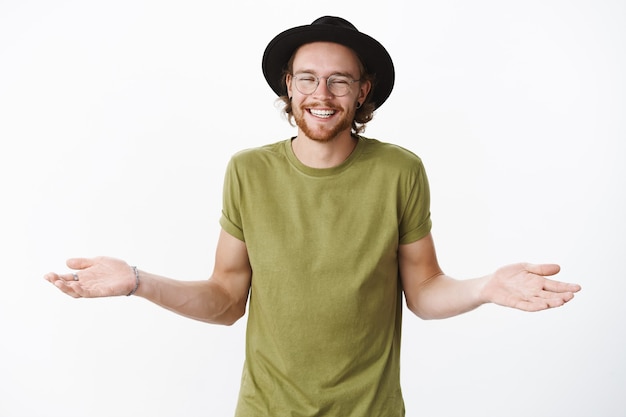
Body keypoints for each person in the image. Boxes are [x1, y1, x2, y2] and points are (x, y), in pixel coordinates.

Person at [45, 16, 581, 417]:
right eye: (307, 79)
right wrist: (137, 281)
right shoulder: (248, 171)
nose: (321, 95)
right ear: (288, 87)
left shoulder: (400, 170)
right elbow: (228, 300)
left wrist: (487, 286)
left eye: (339, 81)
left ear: (363, 91)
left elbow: (423, 291)